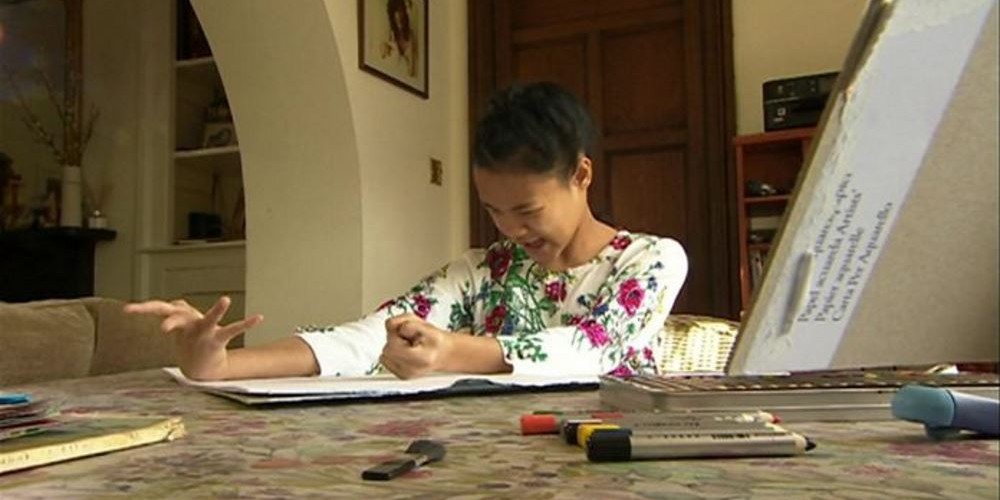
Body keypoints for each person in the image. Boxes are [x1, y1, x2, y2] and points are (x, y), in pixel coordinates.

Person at [126, 82, 688, 381]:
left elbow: (594, 348)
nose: (511, 229)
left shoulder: (650, 261)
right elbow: (372, 335)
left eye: (526, 209)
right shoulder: (483, 271)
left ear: (581, 175)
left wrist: (452, 351)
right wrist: (226, 365)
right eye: (494, 210)